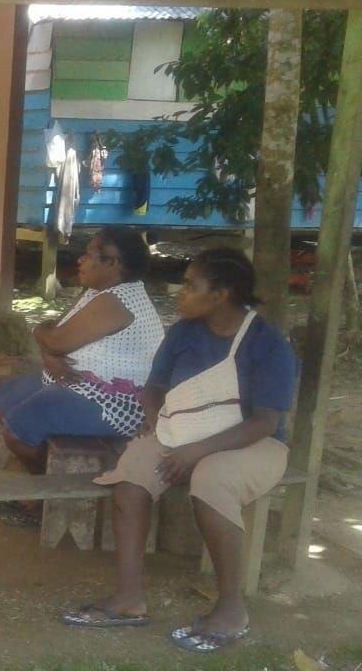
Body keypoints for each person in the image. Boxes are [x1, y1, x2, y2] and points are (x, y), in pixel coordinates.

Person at [61, 248, 297, 654]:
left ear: (221, 294)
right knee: (132, 475)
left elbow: (265, 422)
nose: (180, 293)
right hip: (181, 436)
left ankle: (231, 608)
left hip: (253, 443)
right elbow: (154, 387)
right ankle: (129, 598)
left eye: (190, 285)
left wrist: (196, 451)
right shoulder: (183, 333)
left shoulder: (267, 343)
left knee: (212, 479)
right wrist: (157, 423)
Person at [0, 228, 163, 524]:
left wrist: (42, 337)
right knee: (4, 396)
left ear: (112, 263)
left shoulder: (117, 301)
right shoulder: (98, 292)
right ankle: (46, 482)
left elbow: (54, 339)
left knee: (17, 430)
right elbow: (56, 332)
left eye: (90, 254)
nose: (80, 260)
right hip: (77, 382)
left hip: (112, 403)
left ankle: (46, 497)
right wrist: (49, 351)